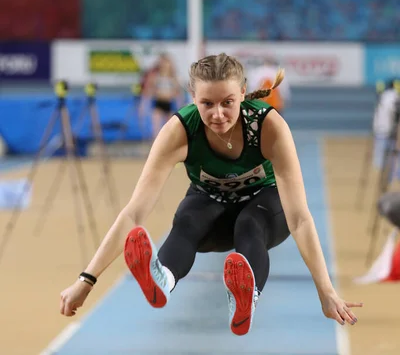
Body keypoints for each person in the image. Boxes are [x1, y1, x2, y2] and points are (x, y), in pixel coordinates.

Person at [60, 53, 362, 336]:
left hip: (265, 209)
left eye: (227, 102)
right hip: (210, 213)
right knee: (187, 221)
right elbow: (133, 213)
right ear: (193, 99)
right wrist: (86, 279)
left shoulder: (268, 126)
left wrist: (326, 291)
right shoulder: (180, 130)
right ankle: (161, 279)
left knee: (249, 225)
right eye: (207, 104)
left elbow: (299, 219)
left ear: (243, 93)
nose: (218, 115)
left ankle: (245, 296)